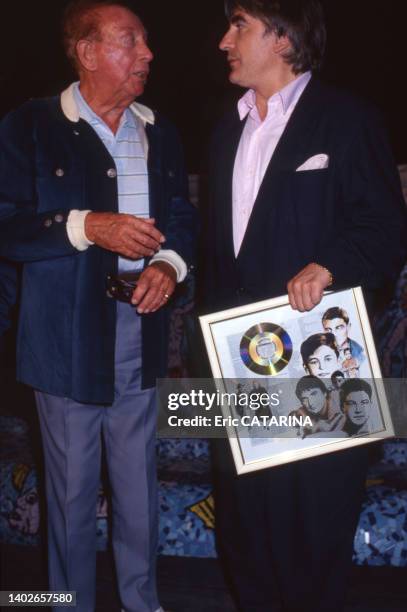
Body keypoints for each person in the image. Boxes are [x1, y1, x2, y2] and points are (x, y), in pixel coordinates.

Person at [204, 1, 406, 611]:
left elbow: (385, 228)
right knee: (244, 523)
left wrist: (331, 264)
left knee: (315, 522)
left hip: (321, 353)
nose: (223, 41)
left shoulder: (347, 119)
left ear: (283, 35)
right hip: (237, 358)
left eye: (239, 25)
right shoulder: (226, 127)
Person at [0, 1, 196, 611]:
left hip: (140, 326)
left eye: (146, 42)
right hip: (63, 339)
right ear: (86, 52)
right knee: (72, 494)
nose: (148, 54)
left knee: (139, 489)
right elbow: (6, 227)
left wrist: (170, 264)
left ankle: (144, 603)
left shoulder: (159, 129)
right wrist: (88, 226)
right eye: (130, 42)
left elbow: (183, 219)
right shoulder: (28, 126)